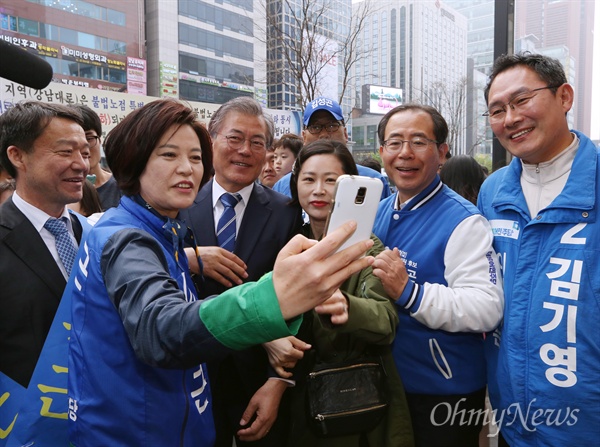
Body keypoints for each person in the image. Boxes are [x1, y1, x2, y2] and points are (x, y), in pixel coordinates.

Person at [67, 98, 375, 446]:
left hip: (186, 413)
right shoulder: (127, 237)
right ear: (135, 160)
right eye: (169, 155)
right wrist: (269, 299)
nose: (186, 169)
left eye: (194, 158)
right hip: (136, 426)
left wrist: (279, 378)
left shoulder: (165, 227)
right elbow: (161, 327)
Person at [478, 52, 600, 447]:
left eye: (522, 100)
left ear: (564, 97)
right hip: (514, 421)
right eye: (497, 110)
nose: (510, 118)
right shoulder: (493, 192)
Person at [370, 104, 504, 447]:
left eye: (419, 142)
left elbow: (486, 307)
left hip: (443, 391)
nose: (405, 154)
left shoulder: (463, 221)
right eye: (394, 142)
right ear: (382, 151)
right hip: (389, 384)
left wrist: (410, 292)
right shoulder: (379, 211)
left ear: (442, 152)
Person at [180, 96, 304, 447]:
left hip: (258, 374)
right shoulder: (179, 204)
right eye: (234, 138)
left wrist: (279, 381)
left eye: (257, 142)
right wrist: (186, 257)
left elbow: (296, 301)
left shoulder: (285, 213)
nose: (244, 151)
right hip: (191, 373)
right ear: (212, 139)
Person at [282, 139, 414, 447]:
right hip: (302, 399)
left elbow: (385, 321)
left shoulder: (366, 246)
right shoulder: (290, 244)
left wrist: (348, 307)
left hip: (358, 403)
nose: (319, 190)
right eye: (309, 179)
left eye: (331, 181)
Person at [0, 101, 90, 388]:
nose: (82, 165)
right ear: (17, 156)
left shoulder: (92, 234)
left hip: (98, 411)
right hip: (23, 421)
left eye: (85, 153)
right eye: (65, 151)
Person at [273, 97, 392, 200]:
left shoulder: (374, 182)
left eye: (331, 126)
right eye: (315, 127)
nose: (324, 134)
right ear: (304, 137)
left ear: (345, 134)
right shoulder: (283, 187)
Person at [70, 104, 121, 210]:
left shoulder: (122, 187)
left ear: (99, 140)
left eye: (89, 138)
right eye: (74, 141)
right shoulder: (59, 191)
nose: (84, 148)